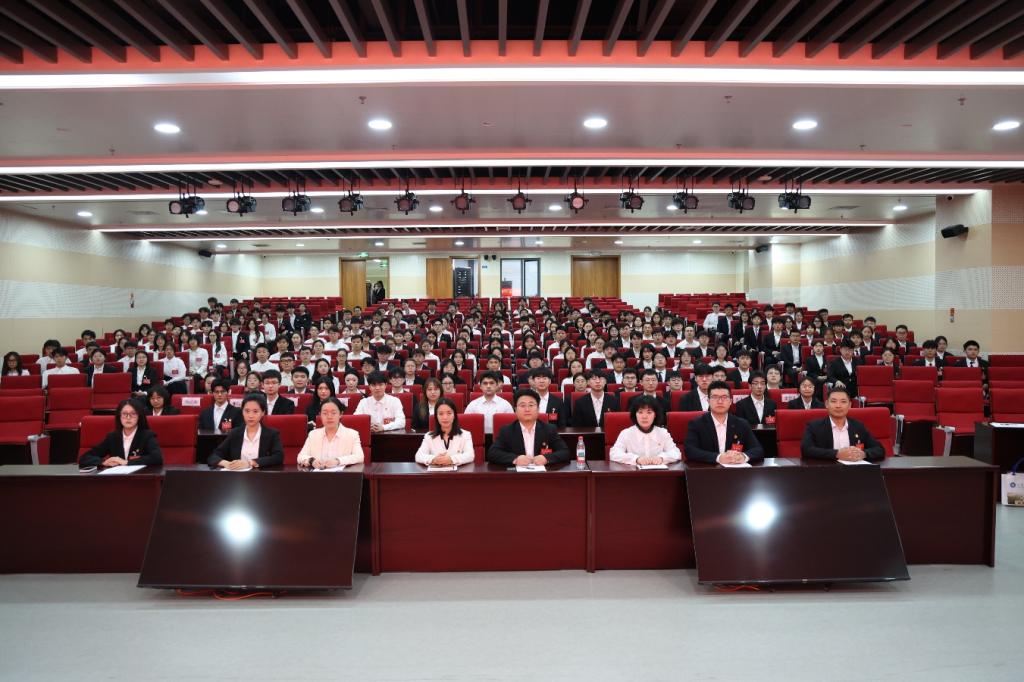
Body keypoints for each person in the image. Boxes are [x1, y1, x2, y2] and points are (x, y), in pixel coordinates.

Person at [684, 381, 765, 465]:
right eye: (715, 397)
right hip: (707, 469)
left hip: (735, 470)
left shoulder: (742, 424)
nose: (720, 401)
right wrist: (718, 458)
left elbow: (758, 450)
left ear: (730, 401)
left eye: (724, 397)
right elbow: (690, 450)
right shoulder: (697, 424)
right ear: (708, 401)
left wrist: (743, 456)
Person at [487, 389, 570, 466]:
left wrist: (546, 458)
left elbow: (565, 452)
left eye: (531, 405)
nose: (527, 409)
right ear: (516, 410)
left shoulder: (549, 429)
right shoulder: (507, 430)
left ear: (538, 409)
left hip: (542, 474)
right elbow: (492, 453)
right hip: (517, 474)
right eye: (522, 405)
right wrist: (515, 459)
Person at [801, 387, 884, 462]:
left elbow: (879, 449)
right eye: (833, 401)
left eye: (843, 402)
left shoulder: (858, 426)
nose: (838, 406)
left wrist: (864, 454)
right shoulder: (814, 426)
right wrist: (836, 454)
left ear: (850, 405)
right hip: (825, 471)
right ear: (826, 404)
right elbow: (806, 450)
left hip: (854, 471)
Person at [79, 399, 163, 468]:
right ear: (119, 416)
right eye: (124, 414)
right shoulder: (112, 437)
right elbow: (84, 458)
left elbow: (157, 458)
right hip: (117, 479)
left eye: (133, 414)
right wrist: (103, 462)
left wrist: (126, 462)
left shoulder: (147, 435)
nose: (128, 417)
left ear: (139, 416)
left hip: (139, 477)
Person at [209, 394, 284, 469]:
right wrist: (226, 463)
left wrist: (250, 463)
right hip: (238, 475)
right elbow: (214, 456)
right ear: (242, 412)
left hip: (261, 474)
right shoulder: (235, 433)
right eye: (247, 411)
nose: (250, 416)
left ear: (263, 412)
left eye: (255, 411)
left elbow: (278, 457)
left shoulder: (272, 434)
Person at [609, 395, 681, 467]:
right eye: (640, 412)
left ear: (655, 415)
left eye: (649, 412)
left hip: (658, 472)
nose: (644, 417)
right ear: (635, 414)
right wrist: (636, 459)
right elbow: (614, 453)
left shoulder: (663, 433)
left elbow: (676, 453)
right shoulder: (626, 433)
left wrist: (662, 458)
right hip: (634, 472)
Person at [297, 397, 363, 469]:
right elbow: (300, 456)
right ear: (320, 415)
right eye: (325, 413)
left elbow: (359, 456)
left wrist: (338, 461)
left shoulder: (352, 434)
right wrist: (312, 461)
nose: (329, 417)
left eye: (333, 413)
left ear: (340, 414)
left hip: (342, 474)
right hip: (318, 475)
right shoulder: (313, 434)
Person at [415, 397, 475, 466]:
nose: (445, 417)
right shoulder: (429, 436)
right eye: (441, 414)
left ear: (454, 415)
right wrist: (434, 459)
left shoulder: (465, 435)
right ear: (436, 416)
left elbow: (470, 455)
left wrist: (451, 459)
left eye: (449, 413)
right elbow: (418, 456)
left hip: (458, 472)